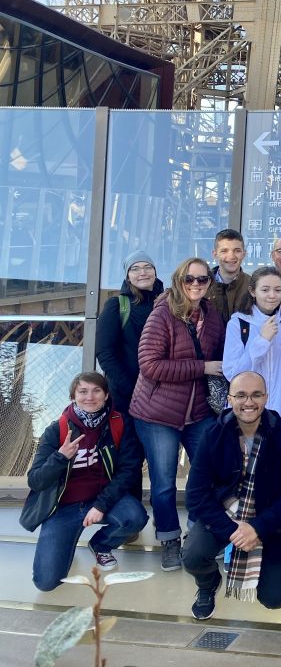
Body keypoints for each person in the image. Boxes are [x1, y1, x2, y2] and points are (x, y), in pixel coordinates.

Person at [183, 371, 281, 619]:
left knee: (276, 599)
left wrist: (257, 527)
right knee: (193, 557)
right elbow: (195, 495)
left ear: (266, 397)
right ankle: (208, 585)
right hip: (224, 513)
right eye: (241, 395)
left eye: (256, 395)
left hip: (266, 517)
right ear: (229, 398)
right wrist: (233, 530)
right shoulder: (212, 435)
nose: (249, 402)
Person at [130, 257, 225, 572]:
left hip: (197, 411)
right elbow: (151, 365)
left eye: (202, 279)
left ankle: (197, 530)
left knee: (209, 473)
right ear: (178, 280)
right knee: (164, 482)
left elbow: (223, 354)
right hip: (157, 413)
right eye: (189, 279)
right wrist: (202, 367)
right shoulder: (162, 315)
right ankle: (169, 539)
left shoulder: (212, 316)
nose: (196, 284)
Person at [23, 372, 148, 591]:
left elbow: (129, 469)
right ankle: (65, 546)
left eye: (96, 391)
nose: (90, 397)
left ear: (106, 395)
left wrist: (101, 504)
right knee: (46, 582)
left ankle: (100, 545)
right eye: (83, 391)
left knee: (135, 516)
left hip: (100, 500)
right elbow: (35, 480)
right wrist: (60, 457)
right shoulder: (57, 430)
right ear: (73, 396)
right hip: (64, 508)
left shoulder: (118, 424)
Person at [223, 267, 281, 426]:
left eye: (277, 290)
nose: (272, 295)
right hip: (245, 415)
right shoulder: (238, 323)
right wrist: (262, 340)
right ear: (253, 291)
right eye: (265, 289)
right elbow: (233, 373)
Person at [96, 251, 165, 419]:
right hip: (125, 399)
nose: (142, 272)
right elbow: (105, 353)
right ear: (128, 276)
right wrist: (130, 388)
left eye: (148, 267)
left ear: (155, 273)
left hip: (162, 397)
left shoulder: (167, 304)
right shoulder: (117, 306)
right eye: (135, 269)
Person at [207, 229, 252, 322]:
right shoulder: (201, 285)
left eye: (237, 251)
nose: (231, 256)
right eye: (224, 251)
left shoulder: (253, 286)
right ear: (215, 255)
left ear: (244, 254)